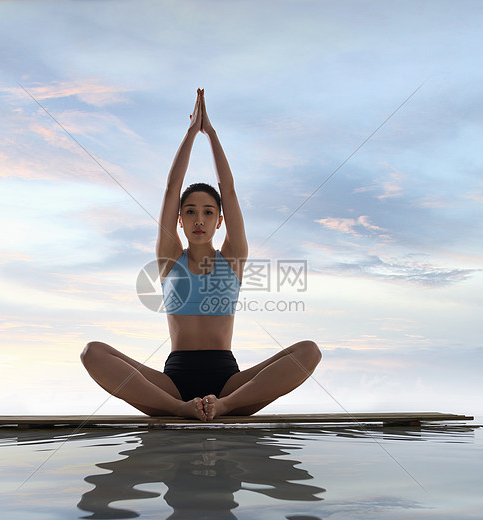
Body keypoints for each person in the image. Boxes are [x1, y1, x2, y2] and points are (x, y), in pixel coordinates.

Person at [81, 89, 321, 421]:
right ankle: (179, 409)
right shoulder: (169, 257)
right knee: (92, 352)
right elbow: (170, 188)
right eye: (190, 211)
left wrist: (213, 136)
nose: (198, 219)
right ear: (179, 220)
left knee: (309, 351)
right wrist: (191, 132)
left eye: (208, 212)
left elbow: (231, 191)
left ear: (219, 221)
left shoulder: (233, 257)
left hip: (230, 384)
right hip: (172, 384)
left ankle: (222, 406)